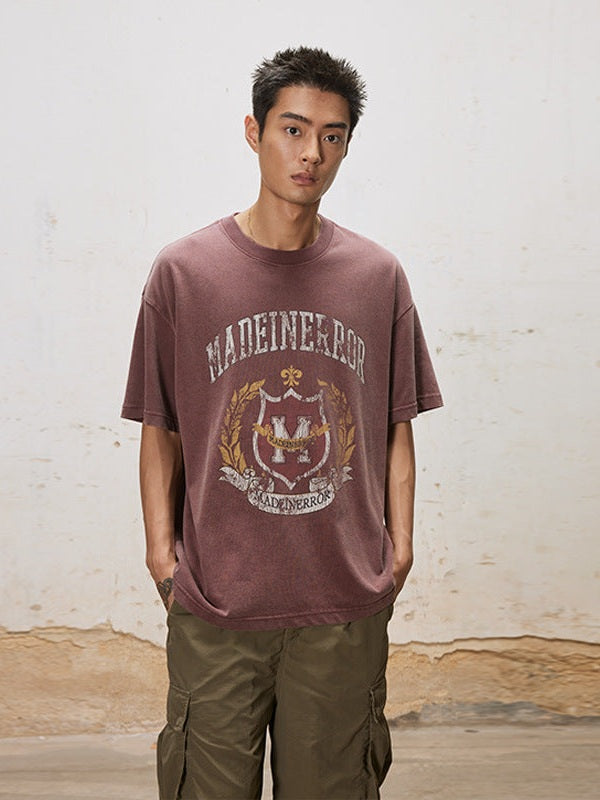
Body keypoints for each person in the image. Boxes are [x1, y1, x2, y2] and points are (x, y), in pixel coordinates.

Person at [121, 46, 443, 800]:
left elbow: (396, 425)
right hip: (217, 604)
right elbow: (160, 425)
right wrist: (162, 557)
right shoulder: (184, 273)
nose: (311, 154)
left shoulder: (377, 277)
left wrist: (399, 549)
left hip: (342, 607)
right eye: (293, 130)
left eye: (332, 136)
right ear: (254, 131)